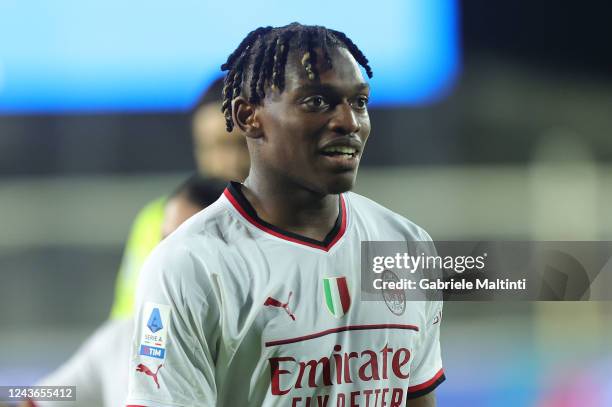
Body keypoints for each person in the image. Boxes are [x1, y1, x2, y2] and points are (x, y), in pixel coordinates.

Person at [127, 23, 445, 407]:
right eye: (317, 102)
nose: (349, 122)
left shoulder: (405, 245)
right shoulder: (188, 265)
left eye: (359, 102)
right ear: (249, 117)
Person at [22, 176, 226, 407]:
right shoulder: (122, 339)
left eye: (183, 242)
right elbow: (41, 399)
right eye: (163, 239)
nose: (164, 255)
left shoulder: (259, 345)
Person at [109, 78, 249, 320]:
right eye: (213, 147)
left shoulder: (304, 216)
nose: (229, 162)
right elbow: (130, 323)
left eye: (240, 145)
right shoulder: (162, 218)